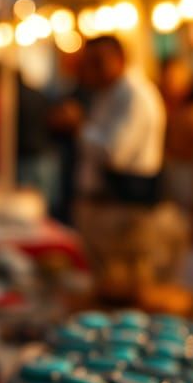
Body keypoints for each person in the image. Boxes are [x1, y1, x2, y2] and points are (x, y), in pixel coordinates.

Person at [74, 35, 166, 300]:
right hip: (109, 210)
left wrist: (79, 128)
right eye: (89, 62)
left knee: (125, 294)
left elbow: (114, 153)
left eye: (98, 62)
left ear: (120, 60)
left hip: (124, 213)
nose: (91, 69)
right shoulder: (110, 93)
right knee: (107, 289)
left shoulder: (134, 95)